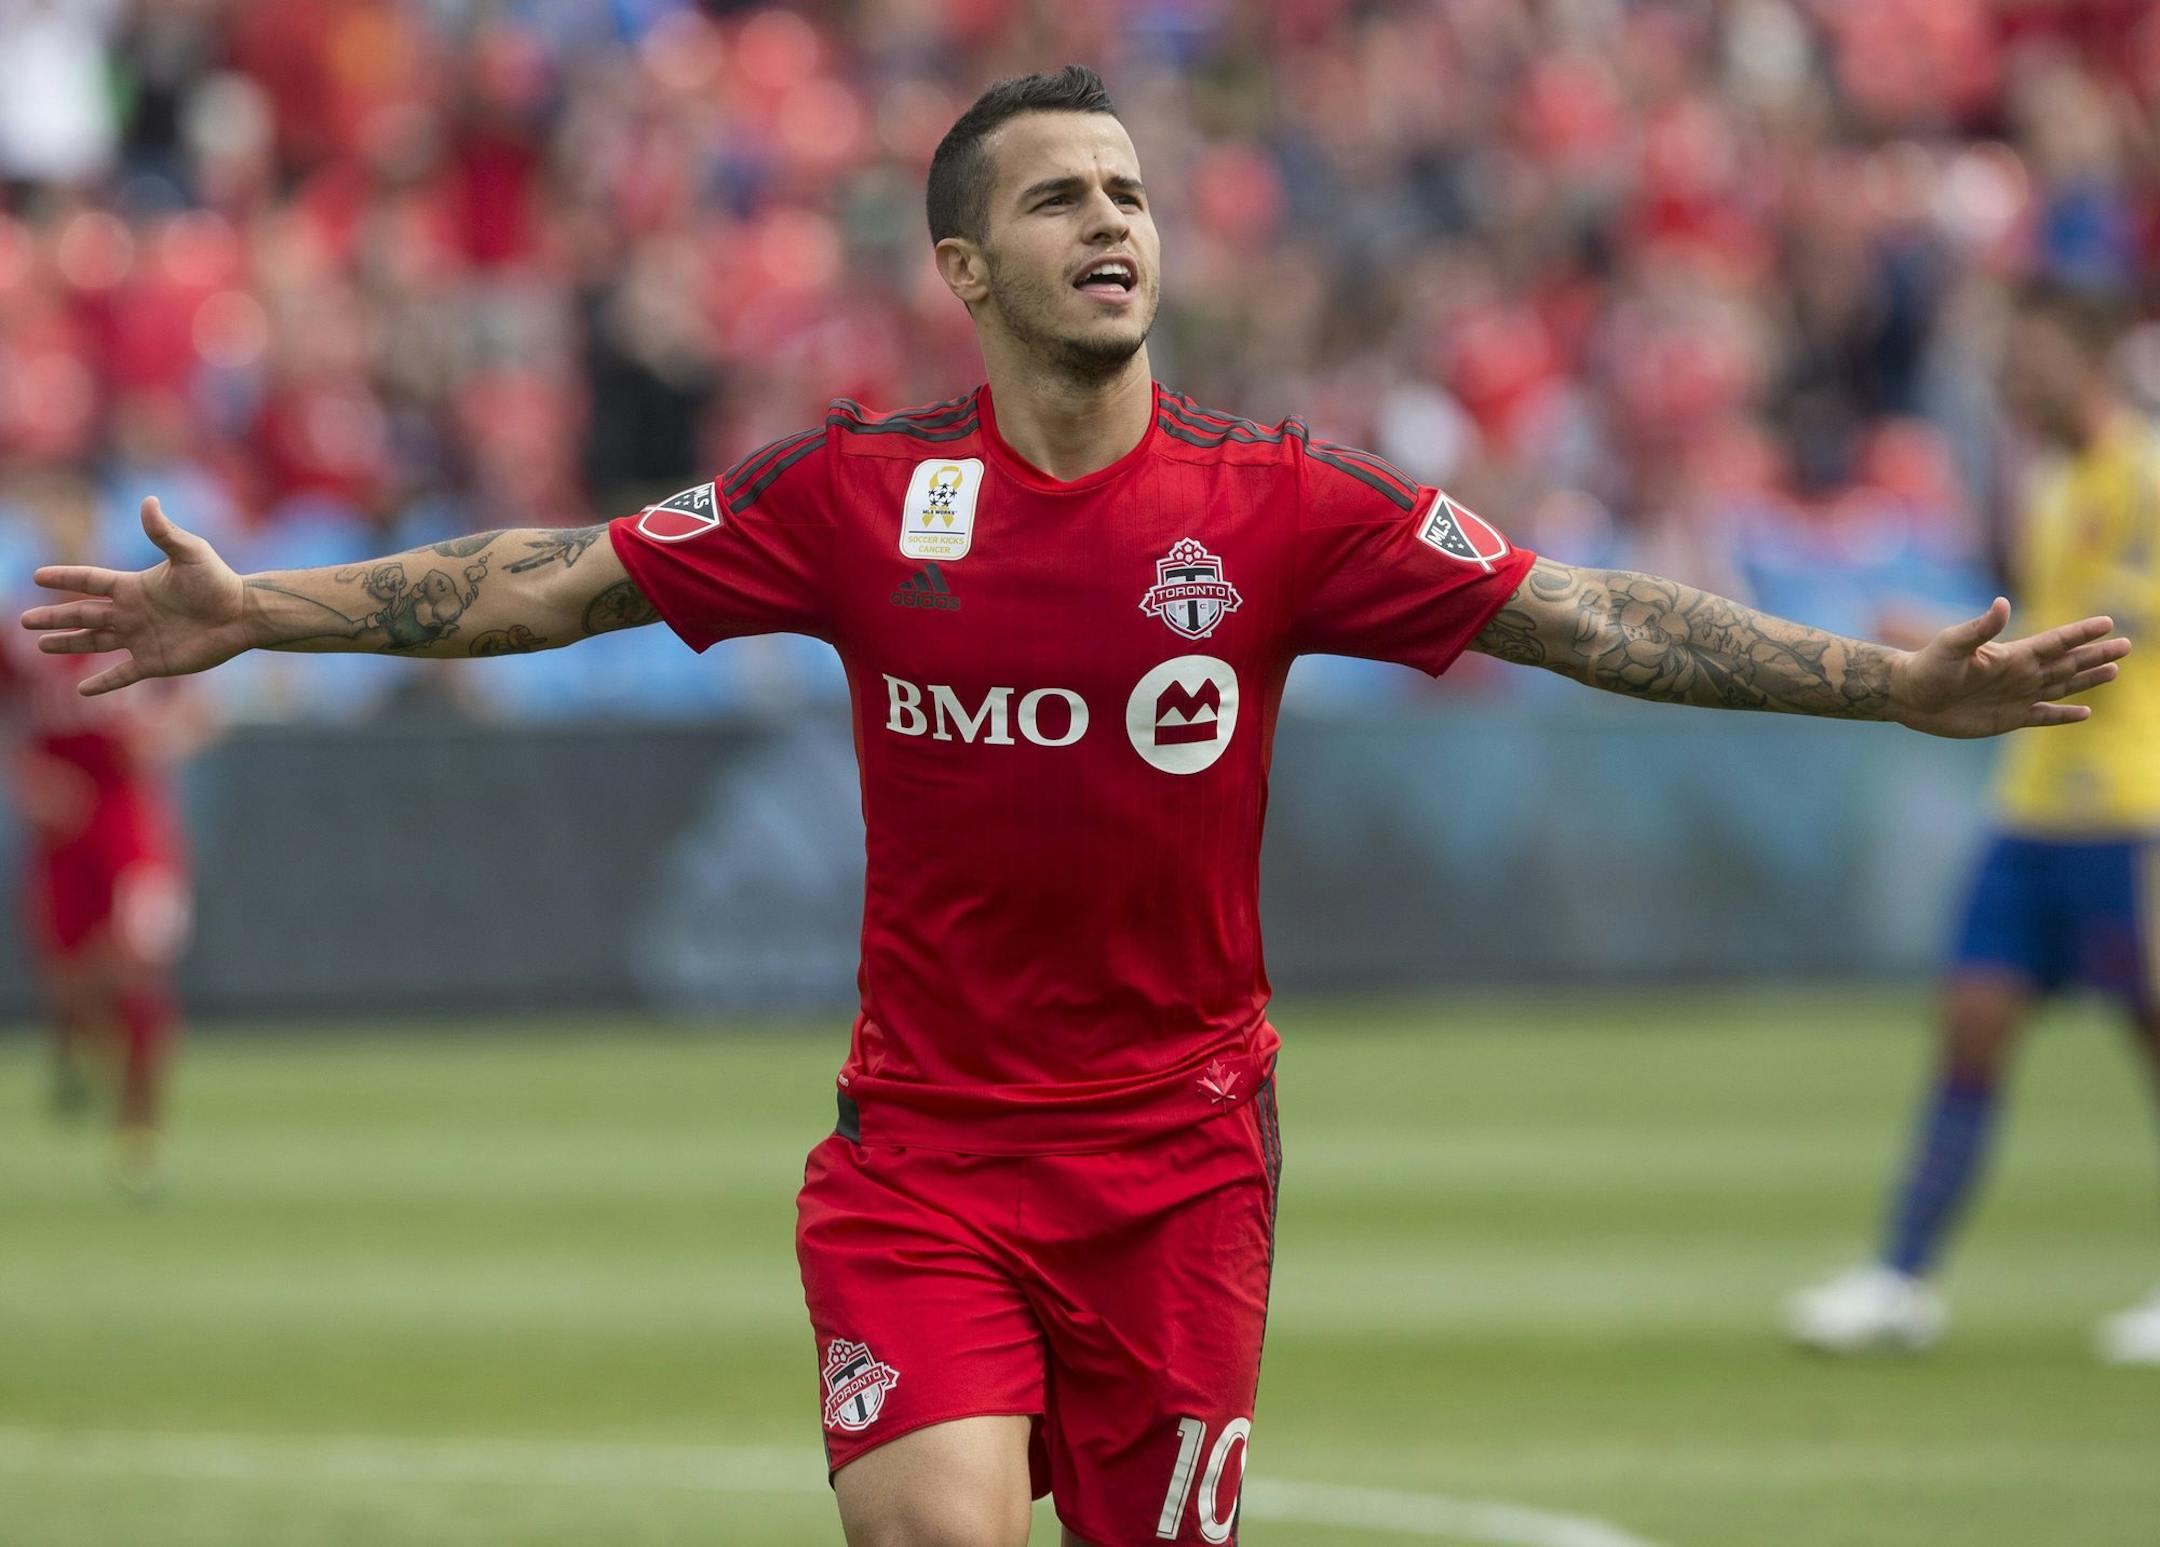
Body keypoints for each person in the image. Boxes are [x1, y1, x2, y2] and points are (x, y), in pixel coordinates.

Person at [17, 67, 2129, 1547]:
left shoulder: (1279, 500)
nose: (1111, 221)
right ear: (965, 264)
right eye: (1058, 198)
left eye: (1127, 191)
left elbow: (1582, 613)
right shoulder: (857, 494)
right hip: (924, 1157)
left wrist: (1886, 684)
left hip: (1182, 1167)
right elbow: (556, 578)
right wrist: (261, 607)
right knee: (933, 1524)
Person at [1786, 283, 2160, 1366]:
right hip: (2031, 806)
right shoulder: (2045, 478)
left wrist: (1952, 644)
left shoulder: (2141, 473)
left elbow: (2119, 630)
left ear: (2093, 357)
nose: (2015, 378)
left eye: (2034, 357)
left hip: (2130, 810)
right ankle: (1902, 1277)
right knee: (1970, 1025)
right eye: (2009, 360)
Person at [2, 468, 207, 1196]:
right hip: (62, 831)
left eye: (75, 517)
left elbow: (198, 705)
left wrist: (163, 736)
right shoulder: (20, 630)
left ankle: (141, 1133)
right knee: (72, 985)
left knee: (139, 969)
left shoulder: (140, 615)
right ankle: (77, 1055)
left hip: (130, 823)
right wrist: (26, 780)